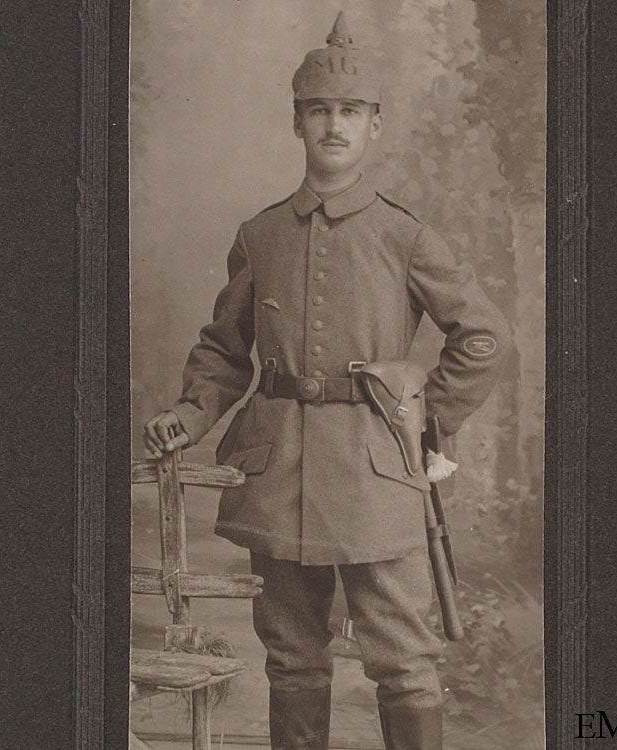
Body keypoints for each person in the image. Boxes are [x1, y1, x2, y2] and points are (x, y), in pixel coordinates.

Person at [143, 12, 509, 750]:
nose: (333, 126)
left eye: (349, 112)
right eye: (319, 112)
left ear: (374, 126)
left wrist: (424, 418)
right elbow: (224, 347)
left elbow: (484, 336)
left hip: (376, 479)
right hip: (278, 470)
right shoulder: (262, 234)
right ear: (297, 124)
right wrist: (192, 410)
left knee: (404, 662)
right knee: (292, 661)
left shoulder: (403, 235)